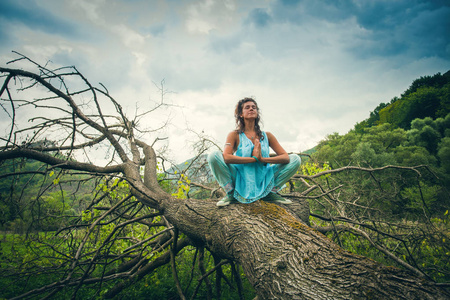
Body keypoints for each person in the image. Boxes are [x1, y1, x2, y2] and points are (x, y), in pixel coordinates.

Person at [207, 97, 301, 207]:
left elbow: (285, 157)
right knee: (213, 156)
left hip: (264, 178)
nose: (251, 109)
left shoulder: (267, 136)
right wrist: (253, 159)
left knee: (295, 159)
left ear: (257, 112)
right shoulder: (235, 135)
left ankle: (270, 193)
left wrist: (262, 159)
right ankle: (231, 193)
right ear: (241, 114)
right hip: (240, 178)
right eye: (247, 107)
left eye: (254, 107)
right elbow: (226, 157)